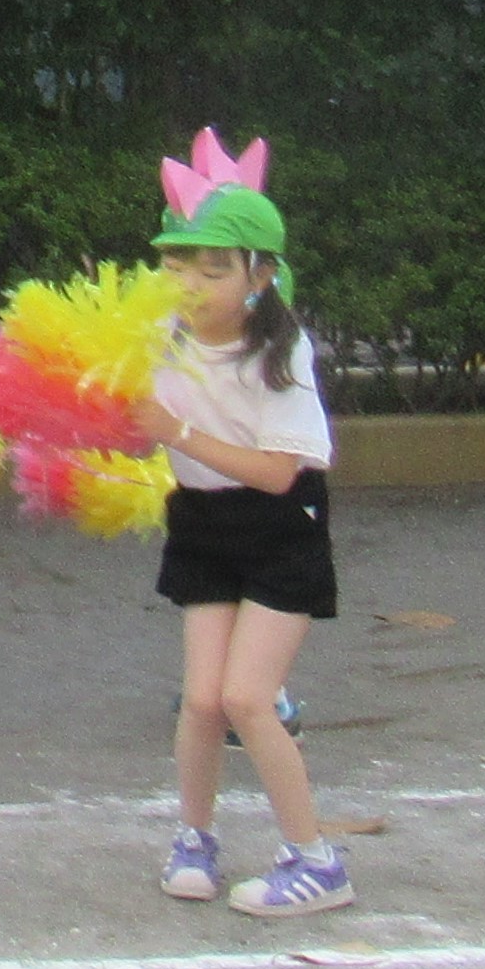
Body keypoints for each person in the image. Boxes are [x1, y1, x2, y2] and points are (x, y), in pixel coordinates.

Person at [138, 135, 352, 919]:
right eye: (176, 263)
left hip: (277, 525)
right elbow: (133, 427)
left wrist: (173, 431)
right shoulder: (158, 341)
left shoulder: (282, 355)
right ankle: (194, 838)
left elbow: (275, 472)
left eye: (213, 267)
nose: (189, 282)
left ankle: (317, 858)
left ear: (260, 274)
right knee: (199, 700)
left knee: (246, 698)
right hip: (200, 520)